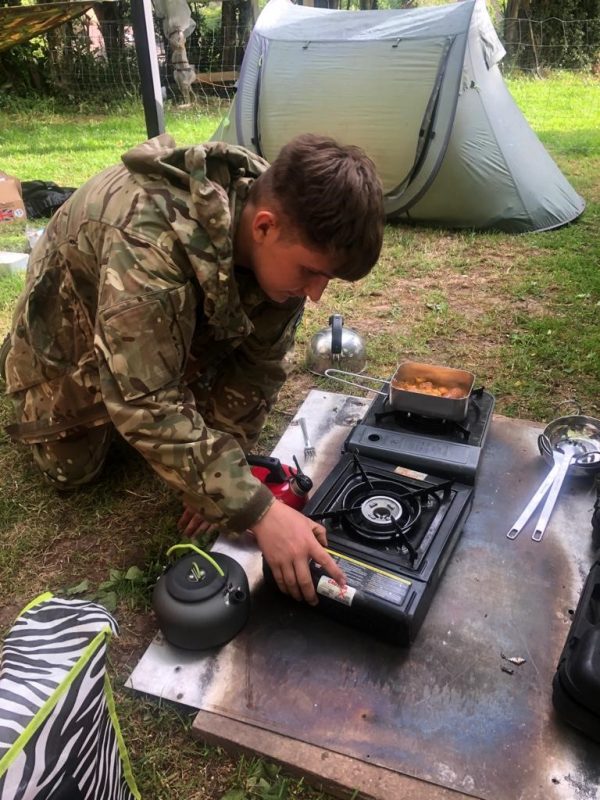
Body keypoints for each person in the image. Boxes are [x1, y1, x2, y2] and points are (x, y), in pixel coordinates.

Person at [2, 132, 385, 605]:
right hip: (63, 346)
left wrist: (223, 478)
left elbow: (260, 365)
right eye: (310, 272)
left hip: (153, 321)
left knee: (195, 424)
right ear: (263, 228)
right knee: (74, 470)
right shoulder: (148, 241)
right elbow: (145, 404)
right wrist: (259, 511)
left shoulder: (281, 220)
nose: (316, 294)